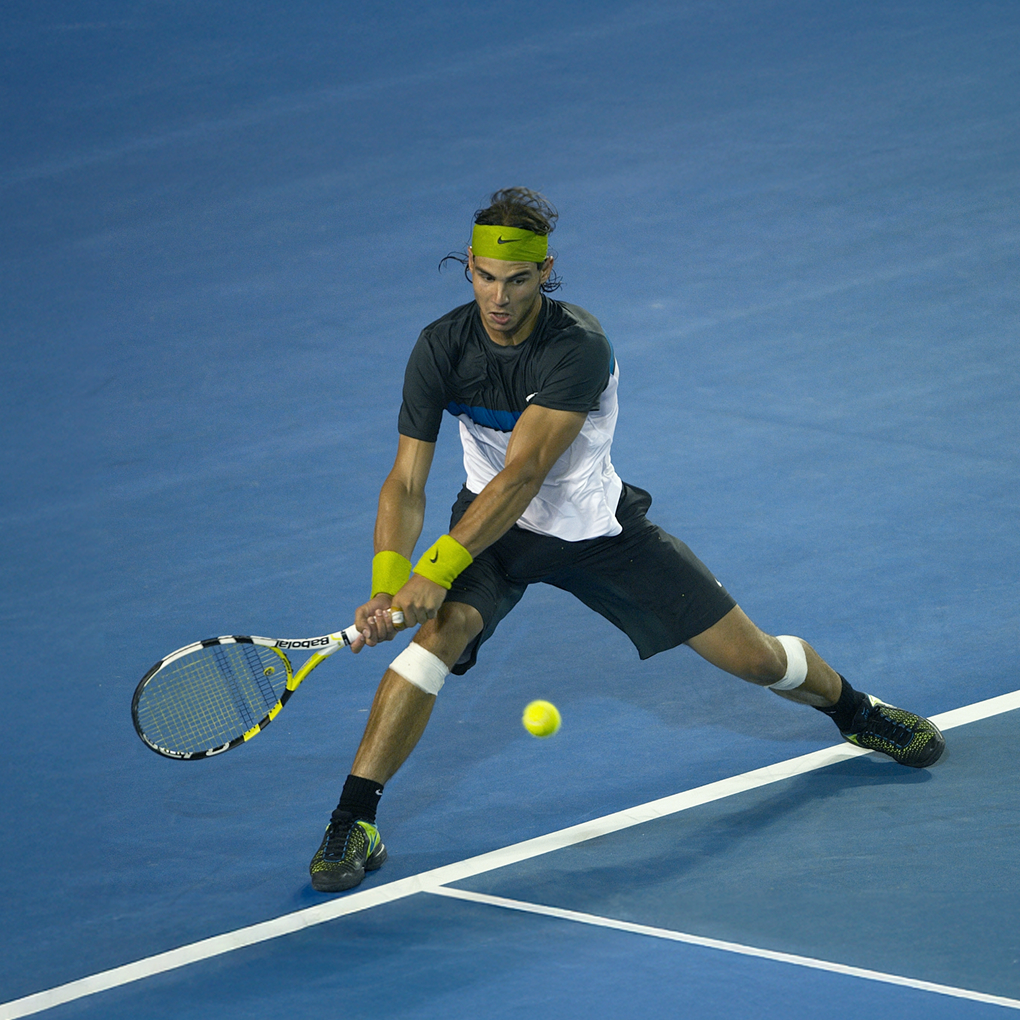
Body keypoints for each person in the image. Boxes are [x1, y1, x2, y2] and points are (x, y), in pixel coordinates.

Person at [308, 187, 945, 894]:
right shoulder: (439, 347)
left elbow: (522, 477)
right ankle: (352, 819)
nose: (499, 296)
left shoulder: (577, 347)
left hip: (594, 533)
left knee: (756, 660)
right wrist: (388, 580)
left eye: (517, 280)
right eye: (486, 277)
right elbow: (404, 483)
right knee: (436, 638)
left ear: (545, 271)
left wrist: (437, 565)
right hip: (488, 533)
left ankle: (856, 711)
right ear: (468, 271)